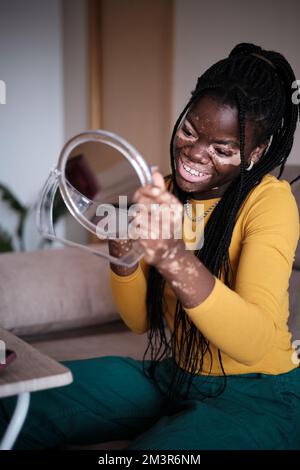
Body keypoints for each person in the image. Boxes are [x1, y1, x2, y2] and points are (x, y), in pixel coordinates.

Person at [1, 42, 300, 450]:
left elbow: (255, 343)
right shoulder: (164, 193)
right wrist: (124, 257)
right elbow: (141, 322)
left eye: (223, 149)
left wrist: (173, 257)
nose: (194, 153)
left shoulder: (270, 201)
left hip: (257, 395)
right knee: (17, 400)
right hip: (174, 376)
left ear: (255, 153)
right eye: (189, 130)